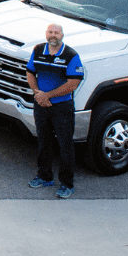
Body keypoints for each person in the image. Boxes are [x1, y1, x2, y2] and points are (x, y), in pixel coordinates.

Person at [27, 23, 84, 199]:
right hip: (41, 104)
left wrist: (48, 96)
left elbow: (73, 84)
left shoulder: (71, 55)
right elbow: (30, 72)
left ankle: (67, 184)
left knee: (65, 145)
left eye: (56, 32)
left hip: (62, 107)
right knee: (43, 141)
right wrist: (38, 94)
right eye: (50, 32)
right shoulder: (37, 50)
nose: (53, 35)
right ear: (46, 34)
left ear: (62, 35)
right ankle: (44, 177)